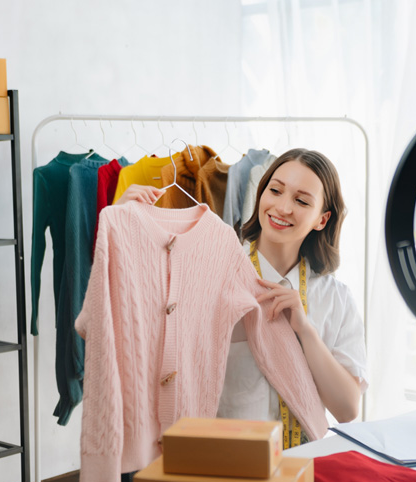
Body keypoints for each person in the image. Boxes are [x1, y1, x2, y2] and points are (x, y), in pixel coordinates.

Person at [115, 148, 367, 443]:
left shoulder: (336, 299)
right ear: (261, 194)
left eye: (301, 201)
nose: (283, 207)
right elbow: (140, 333)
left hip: (306, 462)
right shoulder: (210, 275)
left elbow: (347, 410)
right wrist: (121, 227)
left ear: (322, 220)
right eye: (275, 191)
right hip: (228, 458)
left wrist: (305, 330)